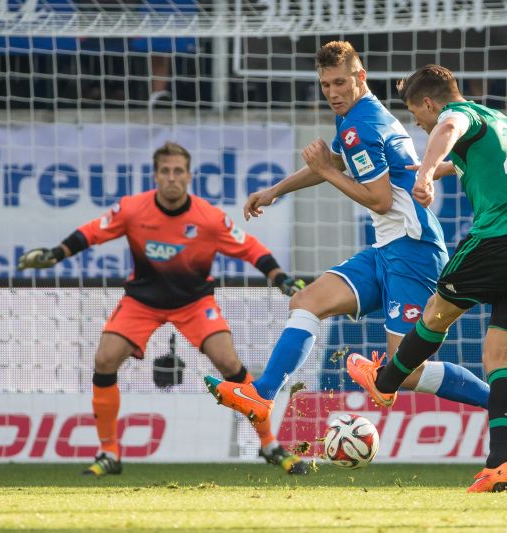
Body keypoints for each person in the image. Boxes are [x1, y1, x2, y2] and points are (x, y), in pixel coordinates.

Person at [203, 42, 507, 458]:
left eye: (340, 82)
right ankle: (263, 394)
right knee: (306, 302)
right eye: (325, 84)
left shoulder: (360, 126)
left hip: (414, 251)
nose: (332, 92)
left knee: (407, 372)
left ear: (360, 77)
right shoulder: (358, 116)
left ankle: (506, 402)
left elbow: (378, 200)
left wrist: (326, 172)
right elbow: (335, 163)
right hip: (386, 248)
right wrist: (277, 190)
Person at [17, 141, 308, 476]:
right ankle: (109, 452)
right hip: (142, 301)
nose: (172, 177)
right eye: (165, 171)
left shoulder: (209, 218)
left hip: (194, 302)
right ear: (155, 176)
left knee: (229, 363)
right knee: (104, 360)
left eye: (178, 171)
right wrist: (55, 254)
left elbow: (250, 249)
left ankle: (269, 444)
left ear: (189, 176)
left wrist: (281, 279)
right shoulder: (132, 209)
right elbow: (93, 232)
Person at [348, 64, 507, 492]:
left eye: (416, 115)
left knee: (436, 312)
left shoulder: (457, 116)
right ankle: (499, 464)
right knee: (499, 358)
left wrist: (426, 172)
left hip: (501, 238)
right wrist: (442, 167)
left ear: (429, 103)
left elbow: (448, 127)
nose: (418, 124)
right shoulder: (498, 119)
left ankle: (385, 382)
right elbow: (486, 161)